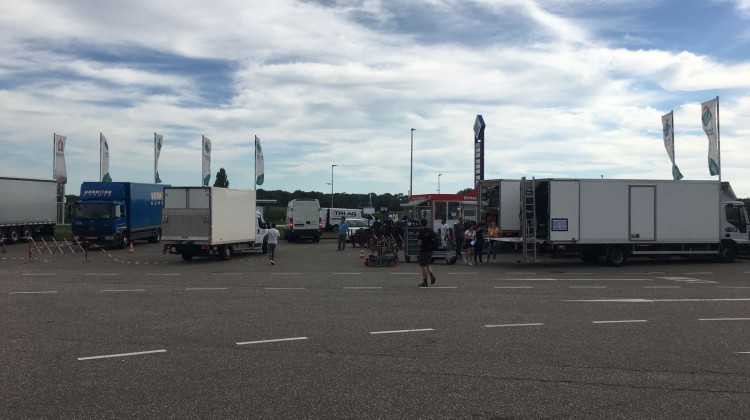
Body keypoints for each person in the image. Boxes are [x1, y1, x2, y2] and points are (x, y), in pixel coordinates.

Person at [417, 219, 437, 287]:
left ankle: (425, 282)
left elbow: (419, 243)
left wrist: (417, 243)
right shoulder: (430, 230)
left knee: (423, 266)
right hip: (430, 250)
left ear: (421, 224)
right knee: (427, 264)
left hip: (424, 250)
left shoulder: (421, 231)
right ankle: (432, 276)